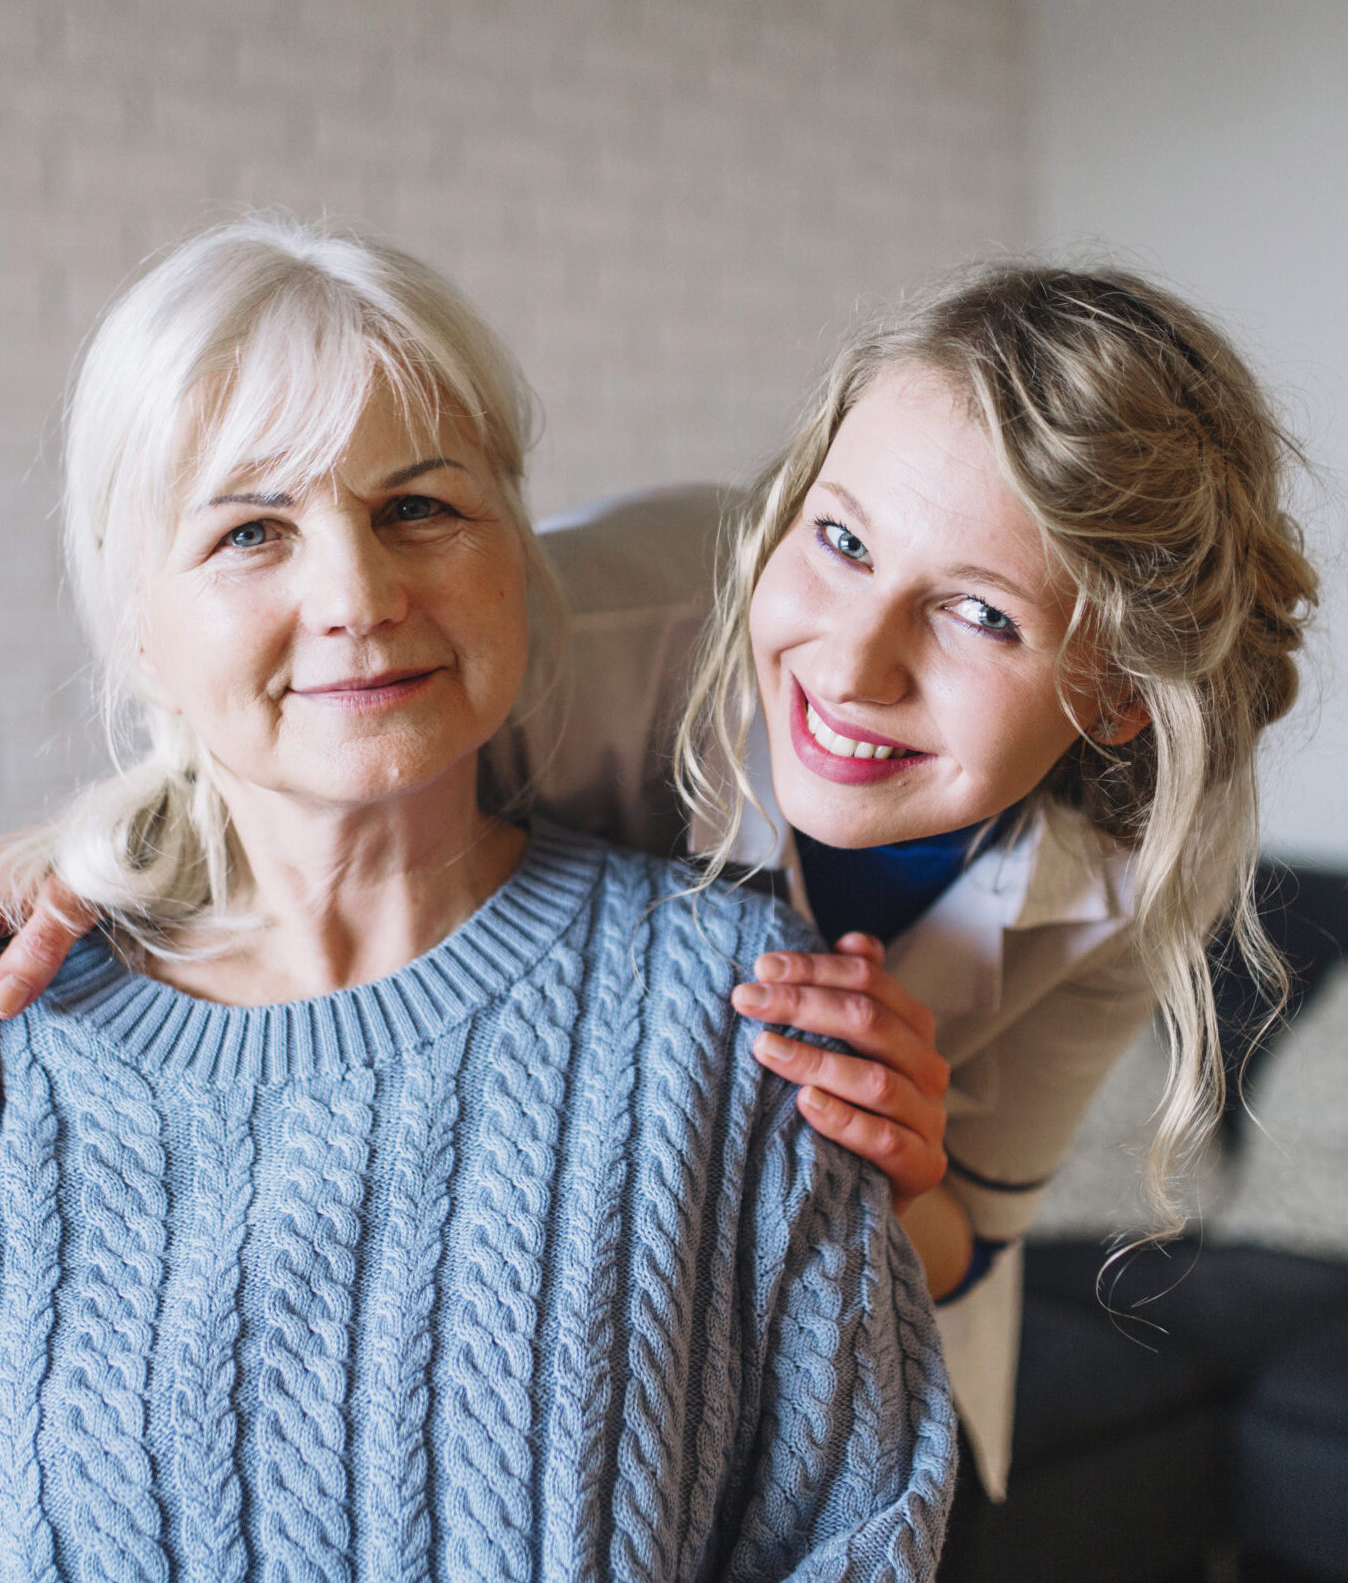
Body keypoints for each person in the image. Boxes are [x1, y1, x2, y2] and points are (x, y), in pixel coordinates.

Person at [0, 258, 1317, 1496]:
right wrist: (94, 852)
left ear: (1120, 692)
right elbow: (296, 721)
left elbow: (973, 1225)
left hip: (859, 1382)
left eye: (982, 614)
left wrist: (896, 1176)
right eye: (841, 540)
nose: (851, 665)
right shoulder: (581, 636)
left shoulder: (1142, 871)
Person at [0, 217, 955, 1578]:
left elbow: (857, 1534)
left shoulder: (737, 1004)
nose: (357, 594)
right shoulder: (26, 1044)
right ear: (136, 619)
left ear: (518, 548)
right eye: (252, 531)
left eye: (419, 509)